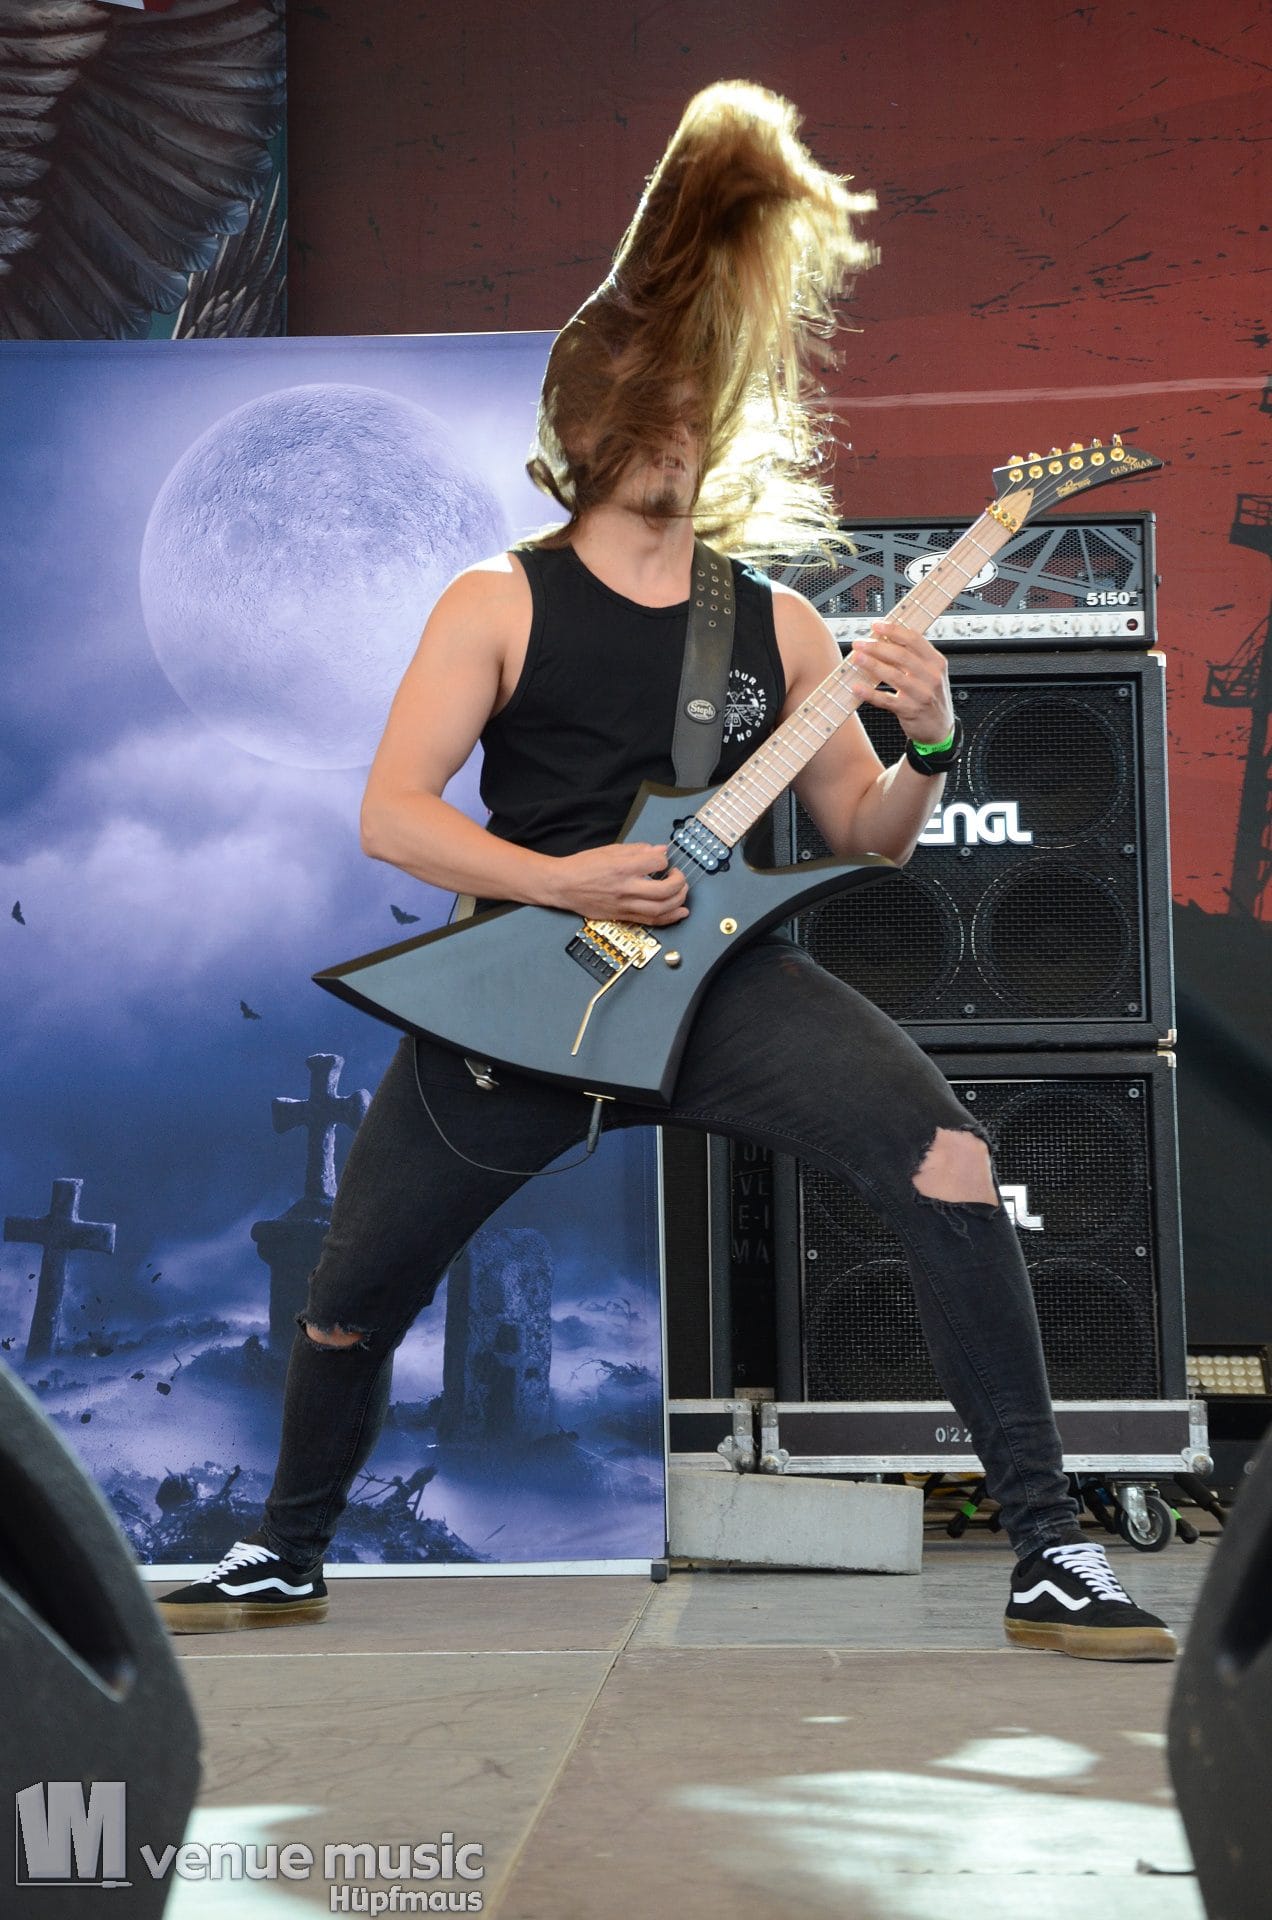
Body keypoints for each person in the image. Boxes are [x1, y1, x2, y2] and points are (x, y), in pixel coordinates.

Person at [159, 81, 1175, 1660]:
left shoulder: (776, 622)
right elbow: (393, 818)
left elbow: (868, 834)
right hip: (525, 995)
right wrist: (568, 882)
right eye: (645, 414)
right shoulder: (496, 601)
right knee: (351, 1296)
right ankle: (282, 1551)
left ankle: (1049, 1548)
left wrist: (929, 737)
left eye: (694, 411)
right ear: (580, 435)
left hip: (725, 989)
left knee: (952, 1164)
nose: (675, 437)